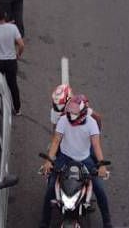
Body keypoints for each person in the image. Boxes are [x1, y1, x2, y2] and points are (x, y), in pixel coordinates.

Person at [38, 95, 113, 228]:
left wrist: (101, 165)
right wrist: (49, 161)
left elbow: (96, 145)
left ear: (83, 113)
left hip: (85, 159)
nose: (70, 115)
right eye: (70, 111)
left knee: (100, 189)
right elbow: (56, 141)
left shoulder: (91, 123)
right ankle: (44, 222)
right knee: (50, 188)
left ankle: (107, 222)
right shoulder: (63, 120)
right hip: (64, 157)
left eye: (74, 112)